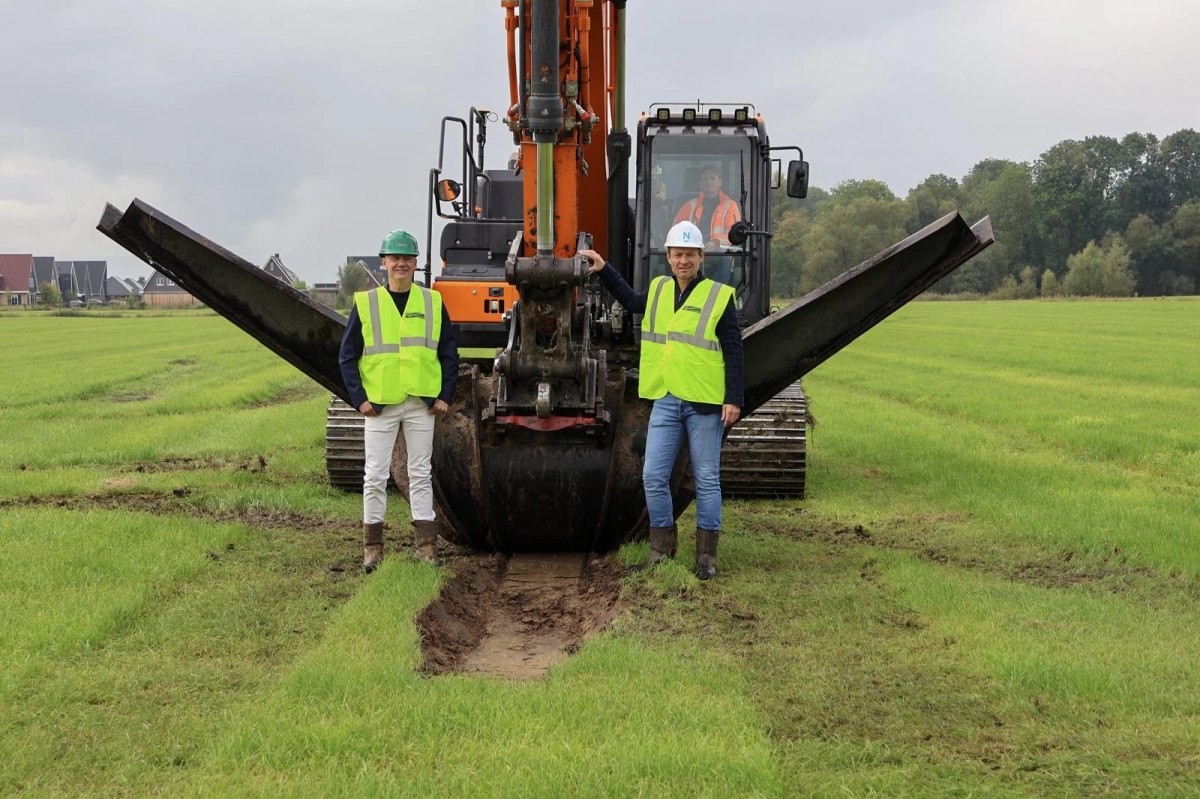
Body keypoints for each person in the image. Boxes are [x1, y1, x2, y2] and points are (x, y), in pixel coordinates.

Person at [579, 220, 743, 580]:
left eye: (690, 254)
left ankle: (706, 559)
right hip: (666, 398)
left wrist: (733, 399)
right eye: (677, 254)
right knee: (653, 475)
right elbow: (629, 300)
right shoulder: (657, 290)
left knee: (706, 479)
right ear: (668, 257)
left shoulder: (718, 296)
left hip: (704, 403)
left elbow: (733, 350)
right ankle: (661, 551)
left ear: (701, 257)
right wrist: (604, 269)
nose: (684, 260)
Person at [338, 229, 459, 571]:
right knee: (375, 475)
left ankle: (426, 548)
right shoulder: (367, 303)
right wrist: (359, 399)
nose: (401, 263)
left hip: (422, 402)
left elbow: (449, 351)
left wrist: (444, 394)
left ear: (415, 263)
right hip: (380, 405)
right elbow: (347, 356)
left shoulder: (432, 301)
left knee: (420, 473)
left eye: (407, 258)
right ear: (384, 263)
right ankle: (372, 549)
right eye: (395, 258)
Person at [673, 165, 742, 251]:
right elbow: (675, 230)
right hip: (693, 250)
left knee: (724, 256)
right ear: (700, 183)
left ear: (720, 182)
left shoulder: (730, 205)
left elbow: (734, 235)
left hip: (719, 252)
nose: (709, 181)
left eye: (712, 178)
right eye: (705, 179)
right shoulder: (689, 205)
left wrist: (716, 242)